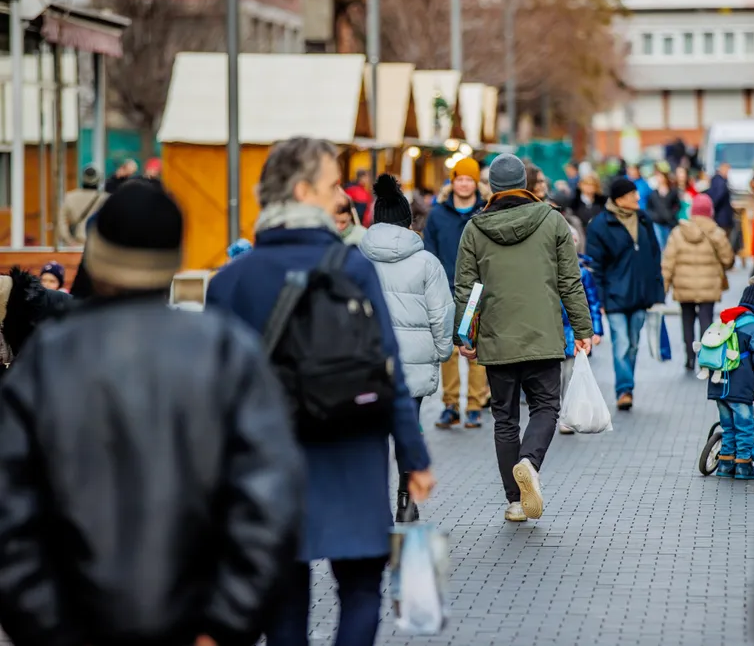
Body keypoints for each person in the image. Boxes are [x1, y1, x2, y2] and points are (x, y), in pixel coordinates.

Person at [0, 185, 305, 646]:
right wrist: (225, 623)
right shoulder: (225, 350)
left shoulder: (48, 356)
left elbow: (10, 512)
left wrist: (46, 626)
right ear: (174, 258)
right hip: (195, 621)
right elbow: (272, 500)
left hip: (72, 622)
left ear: (97, 256)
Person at [204, 136, 434, 646]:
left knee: (284, 598)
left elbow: (211, 396)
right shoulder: (353, 269)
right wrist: (414, 458)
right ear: (304, 190)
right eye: (332, 185)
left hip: (269, 466)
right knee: (359, 590)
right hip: (352, 452)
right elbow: (388, 369)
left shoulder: (230, 283)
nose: (340, 197)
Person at [453, 153, 593, 522]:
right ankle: (530, 462)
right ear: (527, 184)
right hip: (542, 333)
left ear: (491, 188)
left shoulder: (475, 229)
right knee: (547, 406)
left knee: (504, 419)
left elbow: (466, 289)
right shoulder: (553, 221)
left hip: (497, 337)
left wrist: (463, 332)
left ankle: (515, 501)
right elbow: (570, 282)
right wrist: (583, 330)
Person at [360, 173, 454, 522]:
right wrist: (443, 351)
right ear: (406, 220)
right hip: (411, 363)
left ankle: (371, 503)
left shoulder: (355, 259)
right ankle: (405, 500)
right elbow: (441, 313)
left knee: (369, 432)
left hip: (367, 362)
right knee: (406, 428)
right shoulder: (426, 261)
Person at [586, 177, 664, 411]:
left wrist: (657, 292)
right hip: (615, 296)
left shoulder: (643, 219)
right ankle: (624, 390)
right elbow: (595, 266)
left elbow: (654, 255)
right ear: (620, 199)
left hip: (640, 295)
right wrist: (597, 300)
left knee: (633, 344)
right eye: (632, 195)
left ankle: (626, 385)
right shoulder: (600, 225)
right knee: (621, 343)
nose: (638, 197)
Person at [424, 156, 490, 428]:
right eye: (459, 178)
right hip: (446, 289)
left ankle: (475, 404)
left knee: (476, 350)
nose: (463, 184)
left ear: (476, 182)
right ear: (452, 182)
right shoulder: (438, 213)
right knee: (449, 352)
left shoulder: (485, 212)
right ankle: (450, 405)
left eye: (469, 179)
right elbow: (429, 251)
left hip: (477, 290)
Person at [706, 278, 754, 480]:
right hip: (739, 387)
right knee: (745, 425)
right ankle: (744, 465)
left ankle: (725, 463)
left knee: (728, 426)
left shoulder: (727, 321)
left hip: (718, 385)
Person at [662, 193, 734, 372]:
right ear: (710, 212)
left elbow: (668, 262)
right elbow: (728, 259)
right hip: (708, 287)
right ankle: (706, 358)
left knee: (687, 321)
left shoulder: (678, 232)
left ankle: (689, 358)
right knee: (706, 322)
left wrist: (663, 288)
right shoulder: (716, 233)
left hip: (683, 286)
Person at [558, 224, 604, 435]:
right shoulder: (548, 269)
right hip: (552, 332)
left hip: (572, 333)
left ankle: (566, 413)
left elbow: (592, 303)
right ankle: (558, 410)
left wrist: (595, 330)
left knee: (568, 375)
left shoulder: (583, 272)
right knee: (554, 377)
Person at [58, 164, 107, 246]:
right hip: (99, 245)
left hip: (75, 244)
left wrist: (68, 240)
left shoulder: (70, 197)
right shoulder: (105, 198)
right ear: (99, 179)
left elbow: (60, 221)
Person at [646, 168, 683, 250]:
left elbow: (677, 205)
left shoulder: (672, 191)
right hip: (658, 223)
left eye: (661, 176)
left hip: (670, 222)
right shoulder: (653, 193)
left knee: (671, 245)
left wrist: (671, 214)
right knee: (660, 245)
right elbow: (649, 208)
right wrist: (655, 217)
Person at [706, 161, 735, 235]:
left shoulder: (716, 180)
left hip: (719, 217)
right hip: (721, 218)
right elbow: (718, 196)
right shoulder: (720, 182)